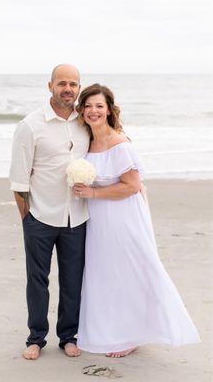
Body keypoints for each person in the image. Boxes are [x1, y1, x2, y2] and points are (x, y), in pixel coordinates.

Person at [73, 84, 201, 358]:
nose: (93, 111)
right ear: (82, 111)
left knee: (129, 270)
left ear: (109, 110)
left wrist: (93, 192)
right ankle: (112, 328)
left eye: (99, 106)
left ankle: (132, 335)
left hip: (123, 217)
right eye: (88, 106)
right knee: (105, 273)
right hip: (98, 219)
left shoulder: (119, 143)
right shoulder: (86, 141)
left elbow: (132, 186)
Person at [9, 64, 89, 360]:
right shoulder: (31, 125)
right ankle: (36, 338)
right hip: (40, 217)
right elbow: (18, 178)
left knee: (72, 280)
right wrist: (27, 219)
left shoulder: (85, 123)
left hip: (77, 217)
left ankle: (68, 336)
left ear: (79, 88)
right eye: (62, 83)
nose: (68, 89)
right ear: (50, 86)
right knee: (37, 280)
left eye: (73, 84)